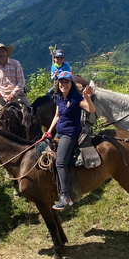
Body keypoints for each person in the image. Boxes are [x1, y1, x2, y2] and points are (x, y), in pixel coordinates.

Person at [43, 71, 95, 211]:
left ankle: (66, 197)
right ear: (58, 84)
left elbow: (91, 109)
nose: (63, 84)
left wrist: (87, 98)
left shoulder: (76, 97)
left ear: (71, 84)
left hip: (70, 134)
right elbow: (57, 115)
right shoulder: (59, 97)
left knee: (60, 162)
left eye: (66, 82)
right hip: (59, 132)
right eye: (61, 82)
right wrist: (49, 131)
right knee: (47, 155)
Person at [0, 42, 30, 116]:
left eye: (3, 52)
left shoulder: (16, 64)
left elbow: (21, 82)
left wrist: (12, 94)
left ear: (7, 53)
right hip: (2, 99)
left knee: (30, 114)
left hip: (18, 96)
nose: (1, 54)